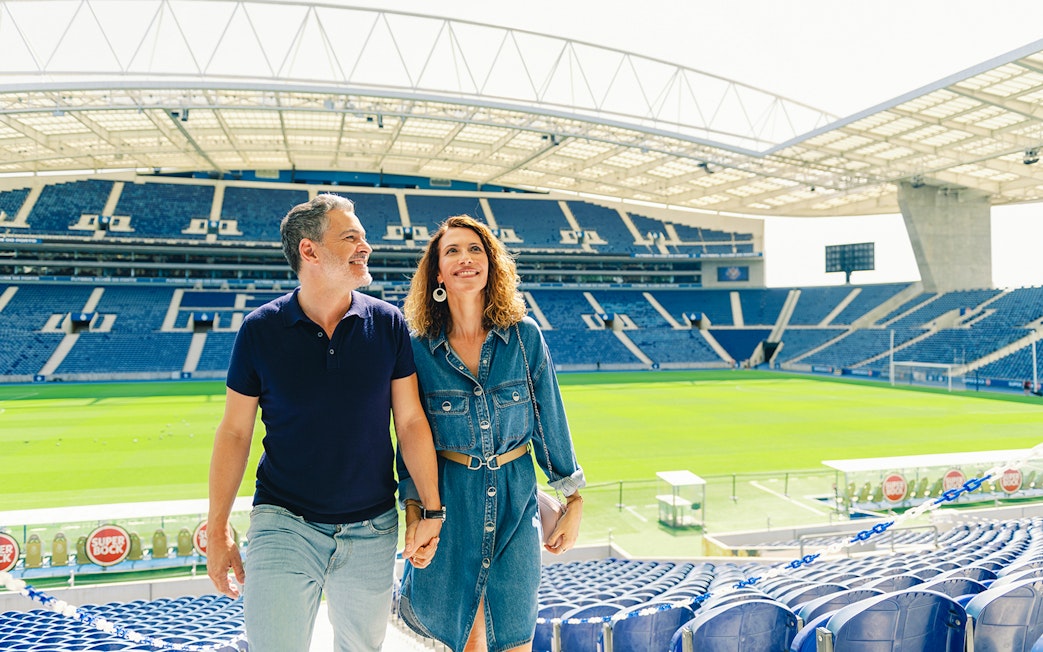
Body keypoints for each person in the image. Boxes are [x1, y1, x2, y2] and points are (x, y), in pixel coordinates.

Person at [206, 193, 444, 652]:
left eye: (364, 237)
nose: (365, 246)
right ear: (309, 250)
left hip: (373, 529)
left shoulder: (389, 322)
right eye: (350, 237)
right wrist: (217, 530)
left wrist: (432, 508)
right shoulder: (260, 329)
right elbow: (235, 432)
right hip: (283, 524)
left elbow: (411, 422)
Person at [397, 215, 585, 651]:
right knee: (471, 639)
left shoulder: (524, 338)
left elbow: (549, 422)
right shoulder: (417, 349)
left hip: (516, 503)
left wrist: (572, 498)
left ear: (491, 264)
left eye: (475, 249)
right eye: (452, 251)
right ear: (437, 274)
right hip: (450, 504)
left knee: (515, 636)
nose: (466, 258)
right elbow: (407, 439)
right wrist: (414, 511)